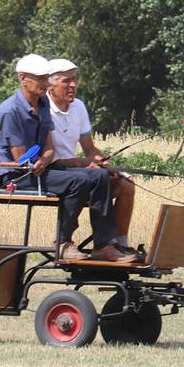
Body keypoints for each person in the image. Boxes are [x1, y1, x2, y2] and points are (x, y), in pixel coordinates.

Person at [0, 53, 137, 263]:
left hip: (40, 170)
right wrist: (42, 162)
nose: (45, 83)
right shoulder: (10, 111)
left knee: (99, 176)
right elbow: (21, 159)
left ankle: (104, 246)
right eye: (40, 78)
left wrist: (45, 159)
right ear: (23, 78)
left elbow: (49, 146)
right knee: (81, 180)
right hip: (18, 177)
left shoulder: (42, 104)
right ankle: (62, 242)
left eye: (46, 77)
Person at [44, 59, 137, 252]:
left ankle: (120, 244)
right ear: (50, 85)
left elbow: (89, 148)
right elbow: (50, 158)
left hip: (78, 170)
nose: (73, 85)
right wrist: (86, 164)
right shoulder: (43, 109)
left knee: (127, 184)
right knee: (96, 176)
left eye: (74, 79)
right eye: (66, 81)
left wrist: (105, 163)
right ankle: (95, 244)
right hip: (56, 170)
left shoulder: (78, 107)